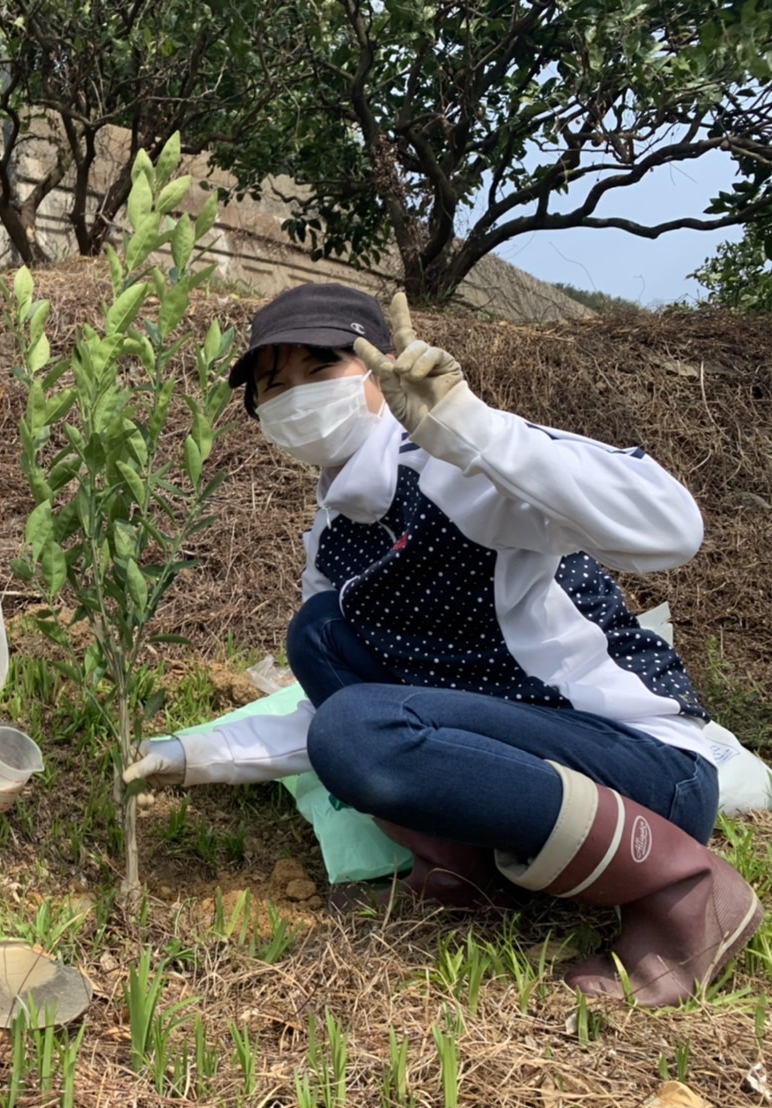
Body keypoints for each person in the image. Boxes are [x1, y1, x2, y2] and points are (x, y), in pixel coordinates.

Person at [124, 282, 763, 1007]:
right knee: (321, 636)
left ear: (380, 367)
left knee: (357, 729)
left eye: (319, 368)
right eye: (274, 386)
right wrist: (197, 754)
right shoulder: (335, 535)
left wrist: (470, 427)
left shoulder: (466, 467)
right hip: (518, 756)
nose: (296, 396)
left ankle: (688, 890)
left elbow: (672, 527)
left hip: (641, 768)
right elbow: (339, 710)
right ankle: (468, 868)